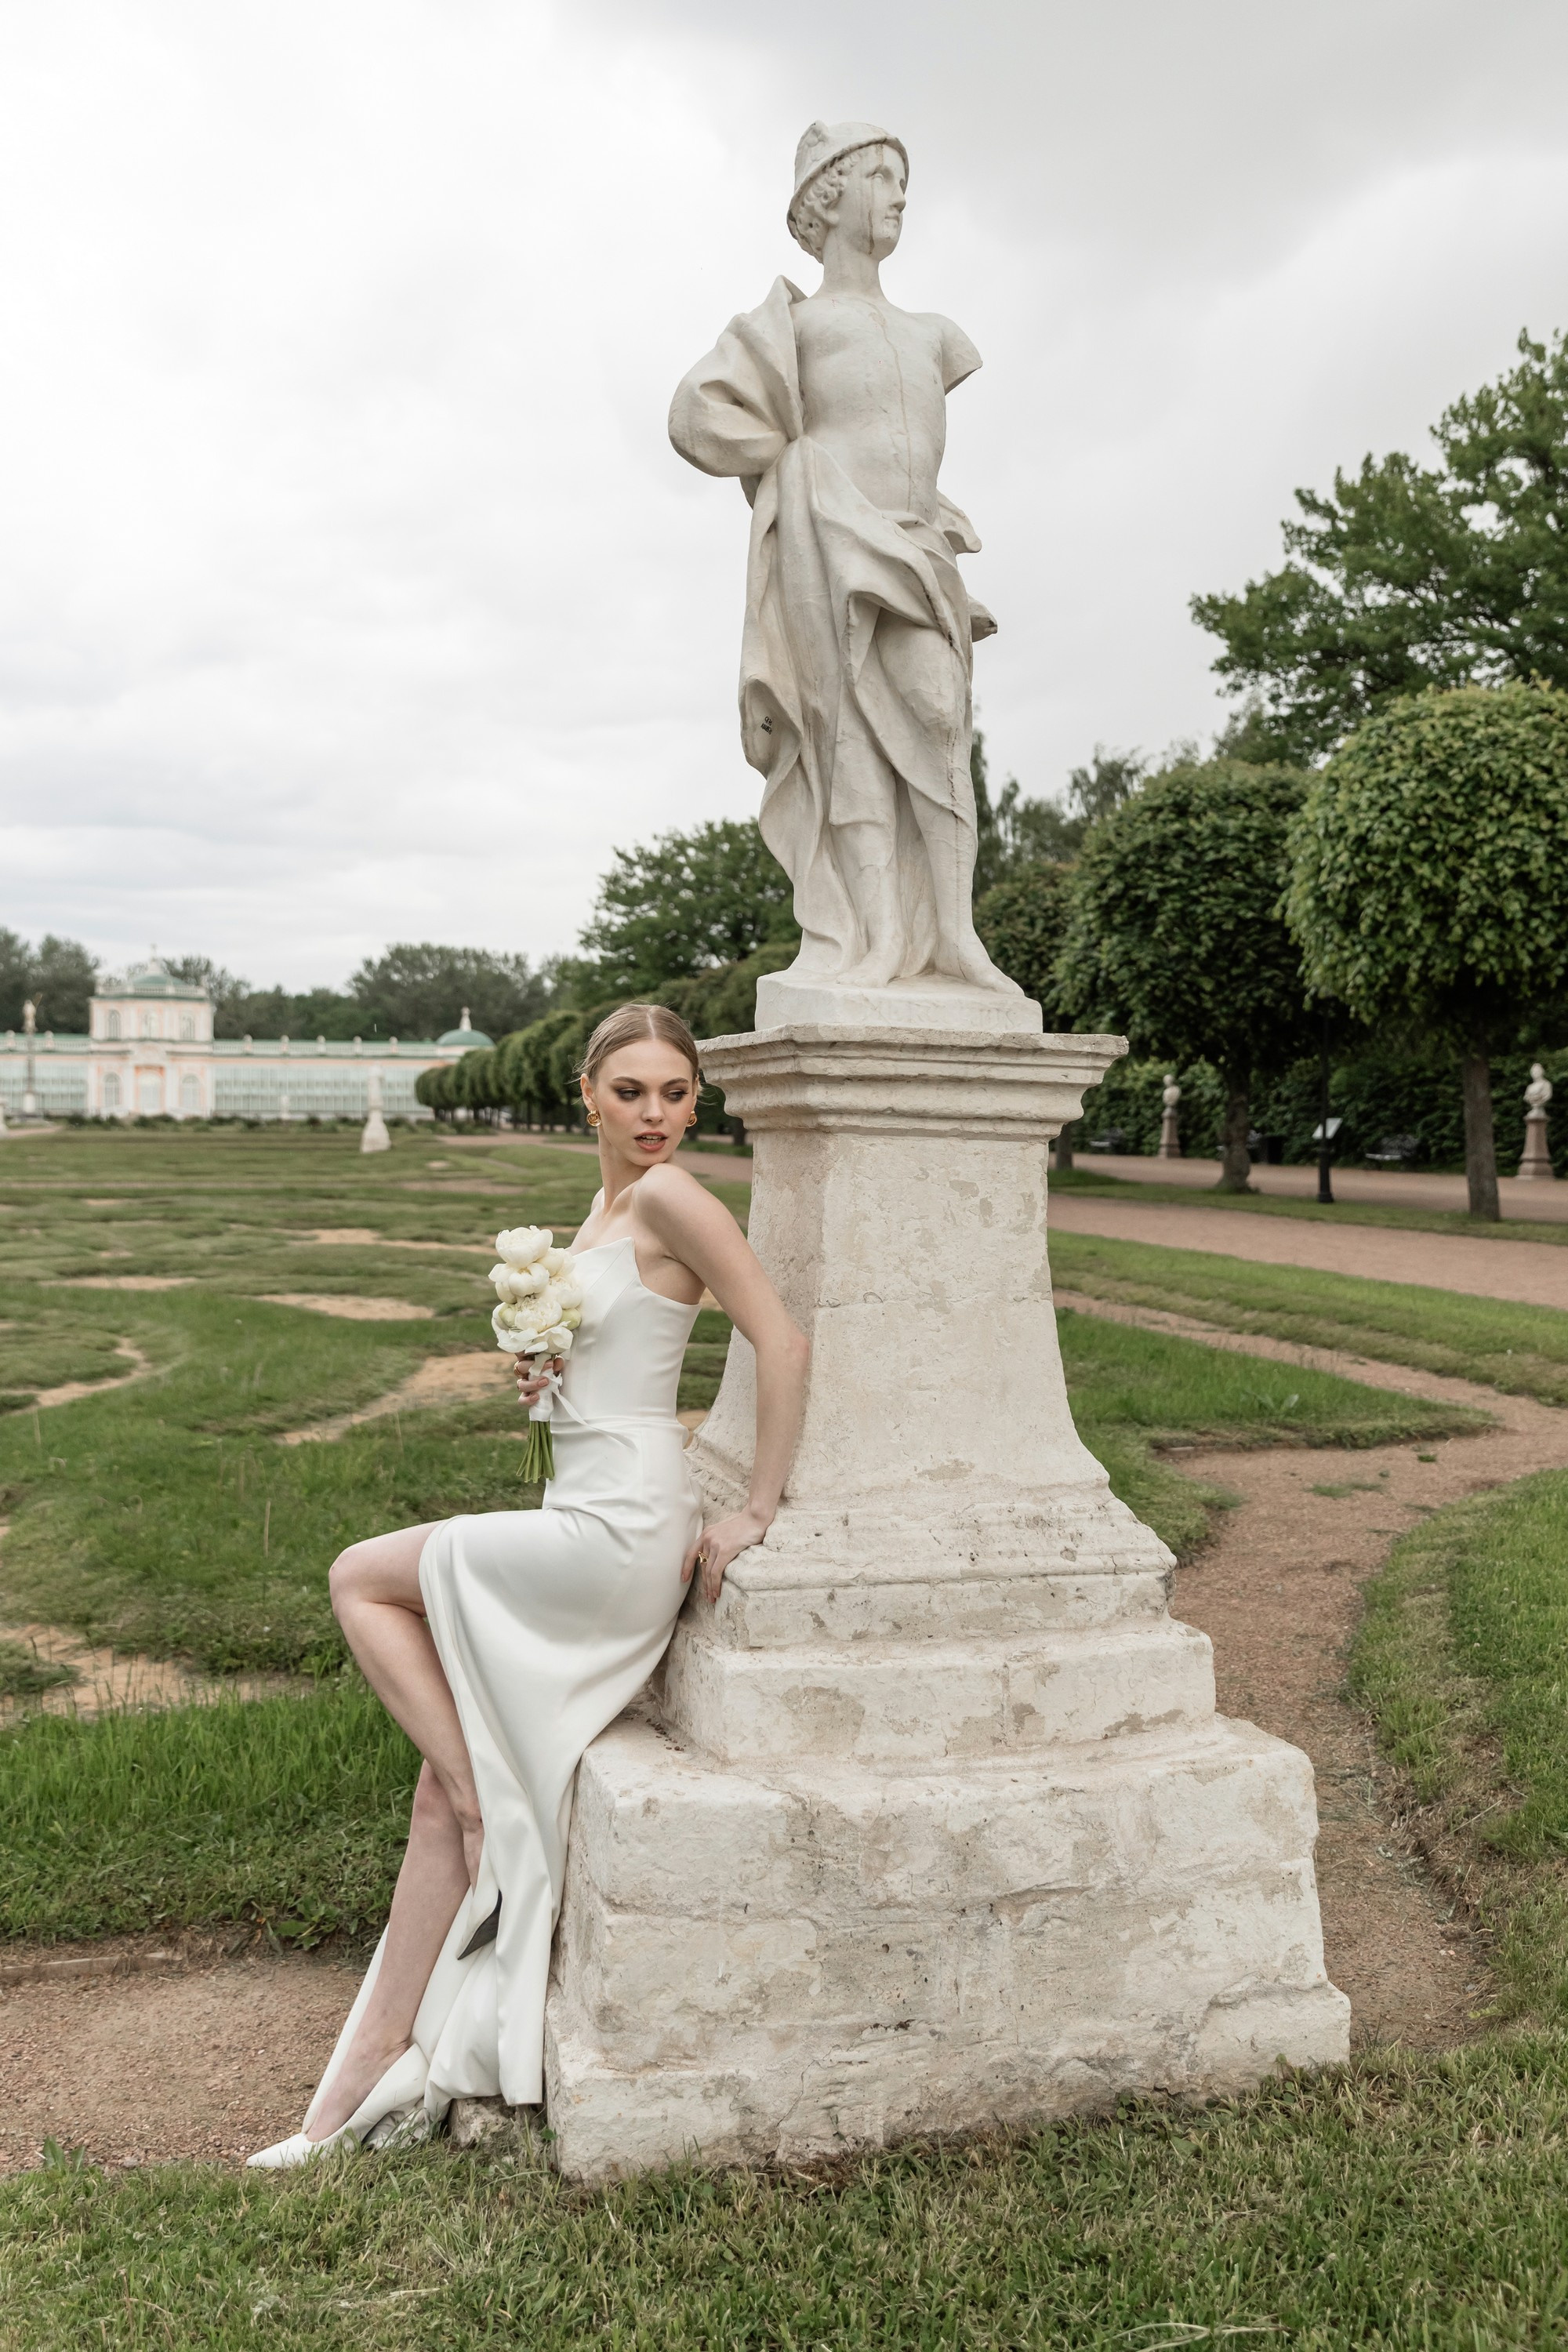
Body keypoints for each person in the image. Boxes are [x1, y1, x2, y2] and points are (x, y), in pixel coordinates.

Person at [247, 1004, 808, 2165]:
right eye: (634, 1093)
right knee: (427, 1801)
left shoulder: (668, 1197)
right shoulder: (602, 1212)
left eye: (677, 1093)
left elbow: (782, 1340)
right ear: (587, 1096)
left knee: (362, 1579)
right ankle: (343, 2095)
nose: (657, 1115)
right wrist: (547, 1375)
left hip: (619, 1531)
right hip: (579, 1506)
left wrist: (753, 1506)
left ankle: (478, 1801)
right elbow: (615, 1354)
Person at [669, 120, 1023, 1004]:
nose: (900, 196)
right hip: (828, 547)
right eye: (881, 176)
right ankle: (880, 934)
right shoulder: (790, 326)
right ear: (827, 197)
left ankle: (954, 934)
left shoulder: (936, 335)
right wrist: (796, 472)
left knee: (941, 719)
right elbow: (695, 418)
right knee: (845, 742)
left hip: (916, 549)